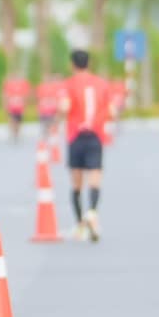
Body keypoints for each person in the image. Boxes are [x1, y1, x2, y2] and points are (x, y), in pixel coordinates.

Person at [62, 50, 112, 241]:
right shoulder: (101, 84)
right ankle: (92, 211)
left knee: (76, 183)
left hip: (76, 136)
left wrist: (60, 117)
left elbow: (65, 107)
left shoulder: (70, 84)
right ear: (88, 63)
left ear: (72, 65)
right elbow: (112, 111)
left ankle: (79, 224)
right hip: (95, 136)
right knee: (95, 178)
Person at [2, 71, 30, 142]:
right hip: (11, 106)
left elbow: (25, 96)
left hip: (20, 107)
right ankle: (13, 133)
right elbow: (5, 95)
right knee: (12, 120)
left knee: (19, 121)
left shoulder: (22, 84)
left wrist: (25, 106)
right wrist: (5, 105)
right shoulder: (8, 84)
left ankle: (17, 134)